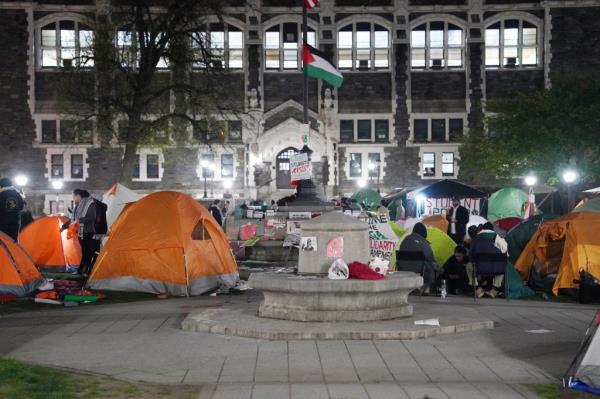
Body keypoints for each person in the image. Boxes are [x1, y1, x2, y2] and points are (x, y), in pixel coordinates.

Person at [395, 222, 439, 295]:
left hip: (403, 267)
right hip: (418, 269)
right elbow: (430, 257)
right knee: (432, 265)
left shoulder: (405, 239)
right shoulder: (423, 242)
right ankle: (425, 289)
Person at [61, 189, 96, 277]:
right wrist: (63, 227)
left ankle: (83, 271)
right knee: (85, 252)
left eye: (73, 196)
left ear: (78, 196)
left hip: (89, 231)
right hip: (81, 232)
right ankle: (83, 271)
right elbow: (73, 220)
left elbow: (92, 217)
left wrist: (79, 221)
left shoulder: (89, 204)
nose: (73, 198)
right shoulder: (78, 206)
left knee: (87, 252)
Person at [468, 222, 508, 298]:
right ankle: (495, 290)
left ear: (483, 229)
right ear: (492, 230)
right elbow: (506, 255)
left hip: (480, 268)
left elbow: (471, 256)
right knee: (502, 265)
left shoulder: (476, 238)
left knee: (468, 266)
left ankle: (477, 289)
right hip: (497, 269)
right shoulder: (500, 238)